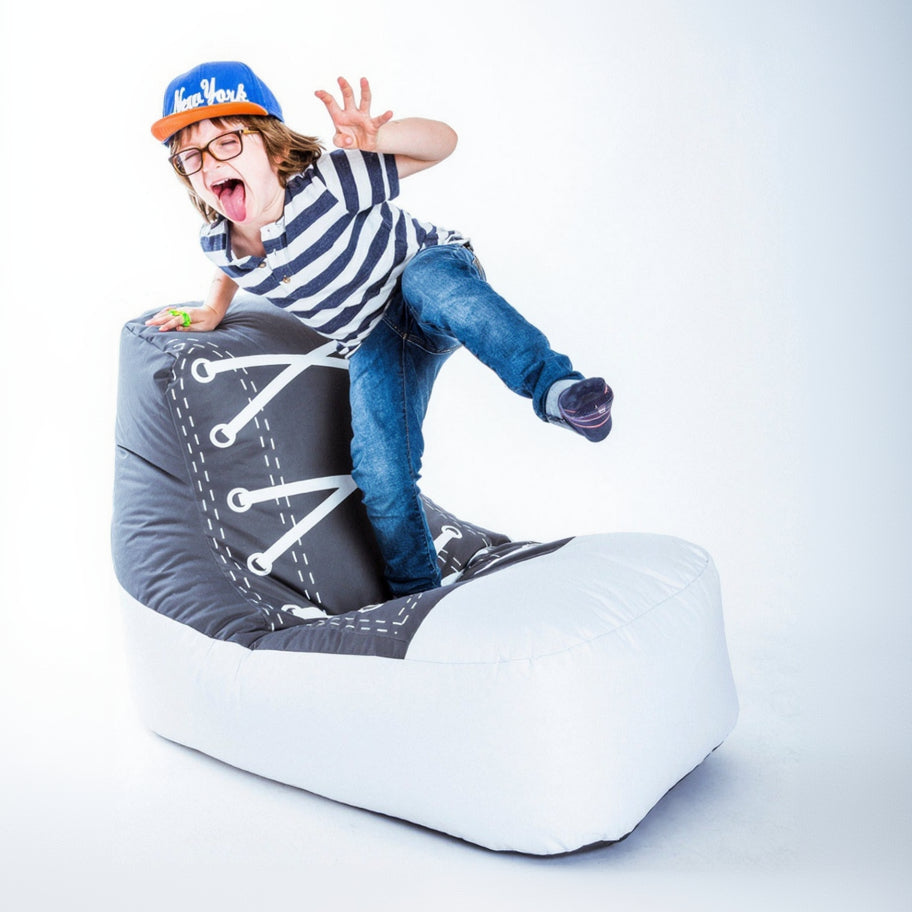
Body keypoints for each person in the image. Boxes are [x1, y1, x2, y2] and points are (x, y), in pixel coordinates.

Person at [147, 60, 613, 598]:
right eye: (191, 156)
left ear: (273, 149)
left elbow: (443, 144)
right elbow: (228, 271)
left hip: (424, 270)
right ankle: (419, 594)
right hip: (376, 339)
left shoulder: (328, 183)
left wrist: (378, 138)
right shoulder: (219, 241)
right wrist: (211, 310)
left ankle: (557, 390)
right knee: (379, 474)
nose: (209, 164)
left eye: (227, 143)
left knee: (443, 294)